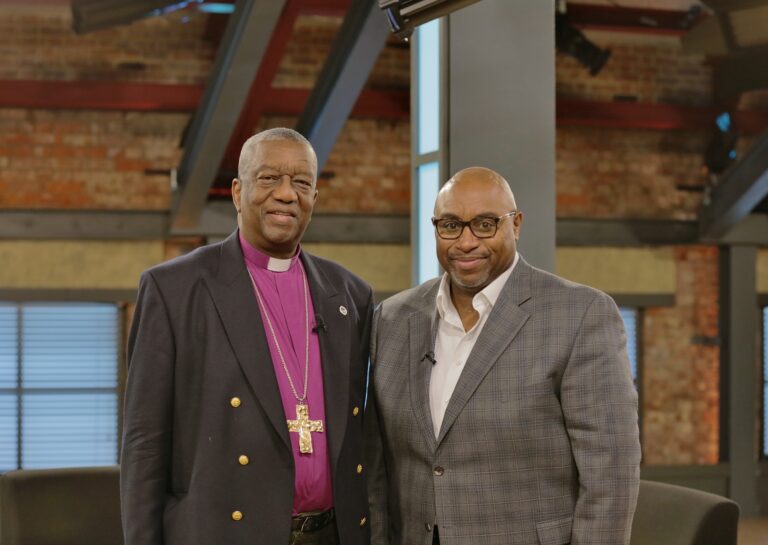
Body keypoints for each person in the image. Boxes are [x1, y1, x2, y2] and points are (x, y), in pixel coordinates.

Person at [121, 128, 374, 545]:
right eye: (269, 178)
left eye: (302, 183)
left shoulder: (351, 294)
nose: (286, 194)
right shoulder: (175, 289)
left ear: (314, 199)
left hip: (333, 533)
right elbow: (144, 444)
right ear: (238, 193)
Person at [365, 167, 641, 545]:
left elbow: (611, 474)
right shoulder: (392, 319)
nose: (465, 242)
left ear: (516, 225)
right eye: (450, 225)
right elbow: (376, 465)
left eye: (484, 224)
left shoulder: (580, 315)